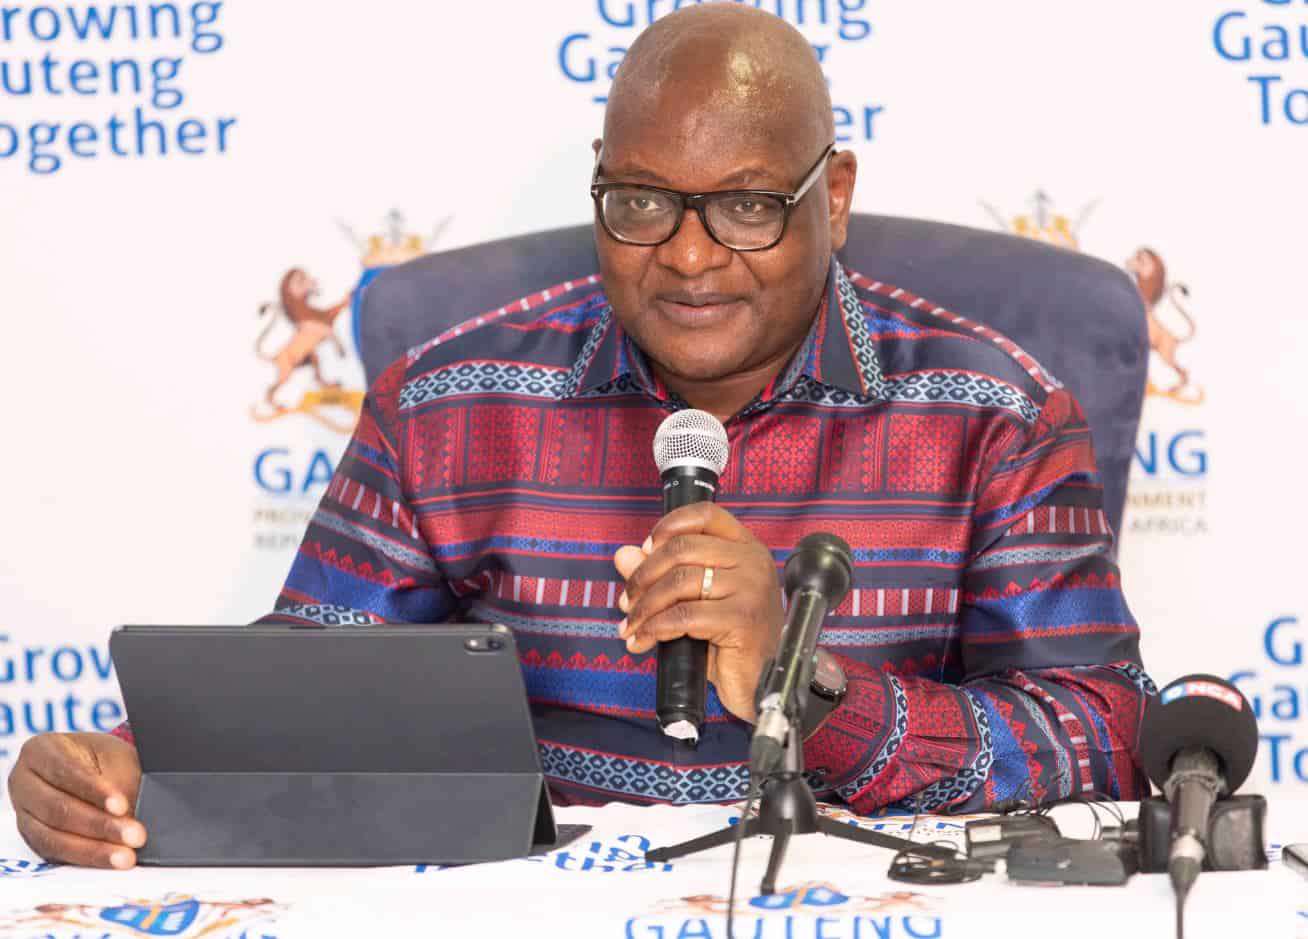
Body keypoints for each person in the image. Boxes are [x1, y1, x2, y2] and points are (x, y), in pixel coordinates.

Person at [8, 4, 1152, 869]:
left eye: (747, 206)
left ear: (834, 196)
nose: (689, 256)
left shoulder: (997, 413)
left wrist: (808, 687)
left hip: (857, 894)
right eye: (641, 201)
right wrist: (128, 768)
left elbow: (1103, 732)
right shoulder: (449, 402)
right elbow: (313, 682)